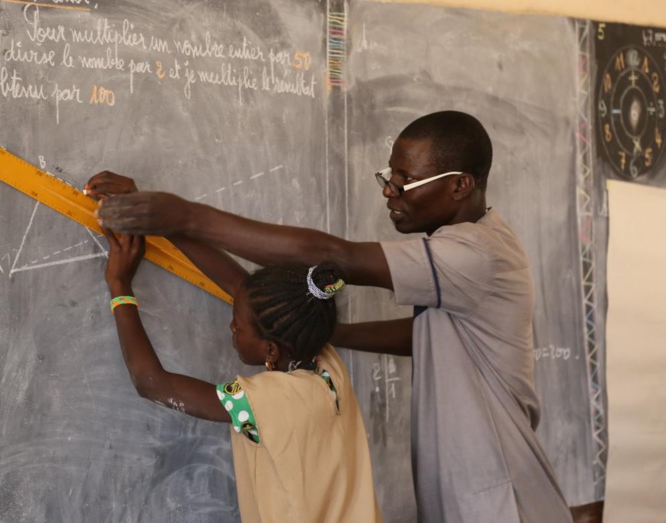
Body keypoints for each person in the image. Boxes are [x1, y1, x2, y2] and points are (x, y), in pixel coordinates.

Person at [87, 110, 573, 522]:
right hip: (475, 495)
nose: (390, 191)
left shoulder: (474, 255)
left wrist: (167, 236)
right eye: (389, 178)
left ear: (460, 186)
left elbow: (330, 255)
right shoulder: (325, 368)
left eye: (405, 181)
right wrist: (165, 228)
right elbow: (249, 293)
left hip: (502, 500)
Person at [98, 221, 382, 522]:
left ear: (271, 350)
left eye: (239, 325)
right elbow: (243, 289)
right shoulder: (326, 363)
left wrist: (119, 285)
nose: (232, 327)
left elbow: (152, 383)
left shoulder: (265, 401)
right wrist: (166, 224)